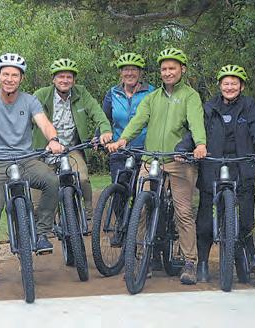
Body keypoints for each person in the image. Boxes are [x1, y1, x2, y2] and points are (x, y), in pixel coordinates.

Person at [0, 53, 64, 297]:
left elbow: (44, 123)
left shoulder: (30, 101)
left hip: (26, 159)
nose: (10, 79)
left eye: (15, 75)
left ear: (21, 79)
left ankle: (41, 232)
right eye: (5, 74)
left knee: (52, 180)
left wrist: (53, 139)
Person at [108, 46, 207, 285]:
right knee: (141, 208)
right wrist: (123, 139)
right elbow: (138, 120)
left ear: (182, 69)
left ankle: (190, 261)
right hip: (151, 159)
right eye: (164, 69)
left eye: (172, 68)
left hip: (178, 161)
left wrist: (200, 144)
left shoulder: (190, 96)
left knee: (183, 212)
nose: (168, 72)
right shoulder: (152, 97)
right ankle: (141, 257)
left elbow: (195, 122)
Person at [195, 64, 255, 283]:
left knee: (247, 215)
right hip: (213, 164)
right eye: (226, 83)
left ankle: (251, 254)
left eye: (234, 83)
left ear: (241, 86)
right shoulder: (209, 107)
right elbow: (197, 132)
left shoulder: (250, 106)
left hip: (242, 164)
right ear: (220, 86)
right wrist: (184, 148)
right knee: (205, 219)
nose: (230, 87)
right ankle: (202, 262)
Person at [33, 58, 113, 222]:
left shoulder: (81, 93)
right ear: (53, 79)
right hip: (44, 150)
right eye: (61, 76)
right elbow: (29, 118)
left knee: (82, 178)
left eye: (69, 77)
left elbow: (97, 113)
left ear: (74, 80)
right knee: (39, 189)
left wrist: (105, 130)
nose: (65, 80)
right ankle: (40, 222)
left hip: (71, 148)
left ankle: (88, 212)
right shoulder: (41, 95)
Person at [103, 52, 155, 182]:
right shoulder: (112, 93)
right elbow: (104, 119)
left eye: (134, 69)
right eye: (126, 69)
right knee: (119, 188)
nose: (129, 73)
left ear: (140, 73)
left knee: (142, 189)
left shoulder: (151, 93)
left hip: (144, 151)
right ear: (120, 72)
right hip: (119, 150)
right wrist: (100, 136)